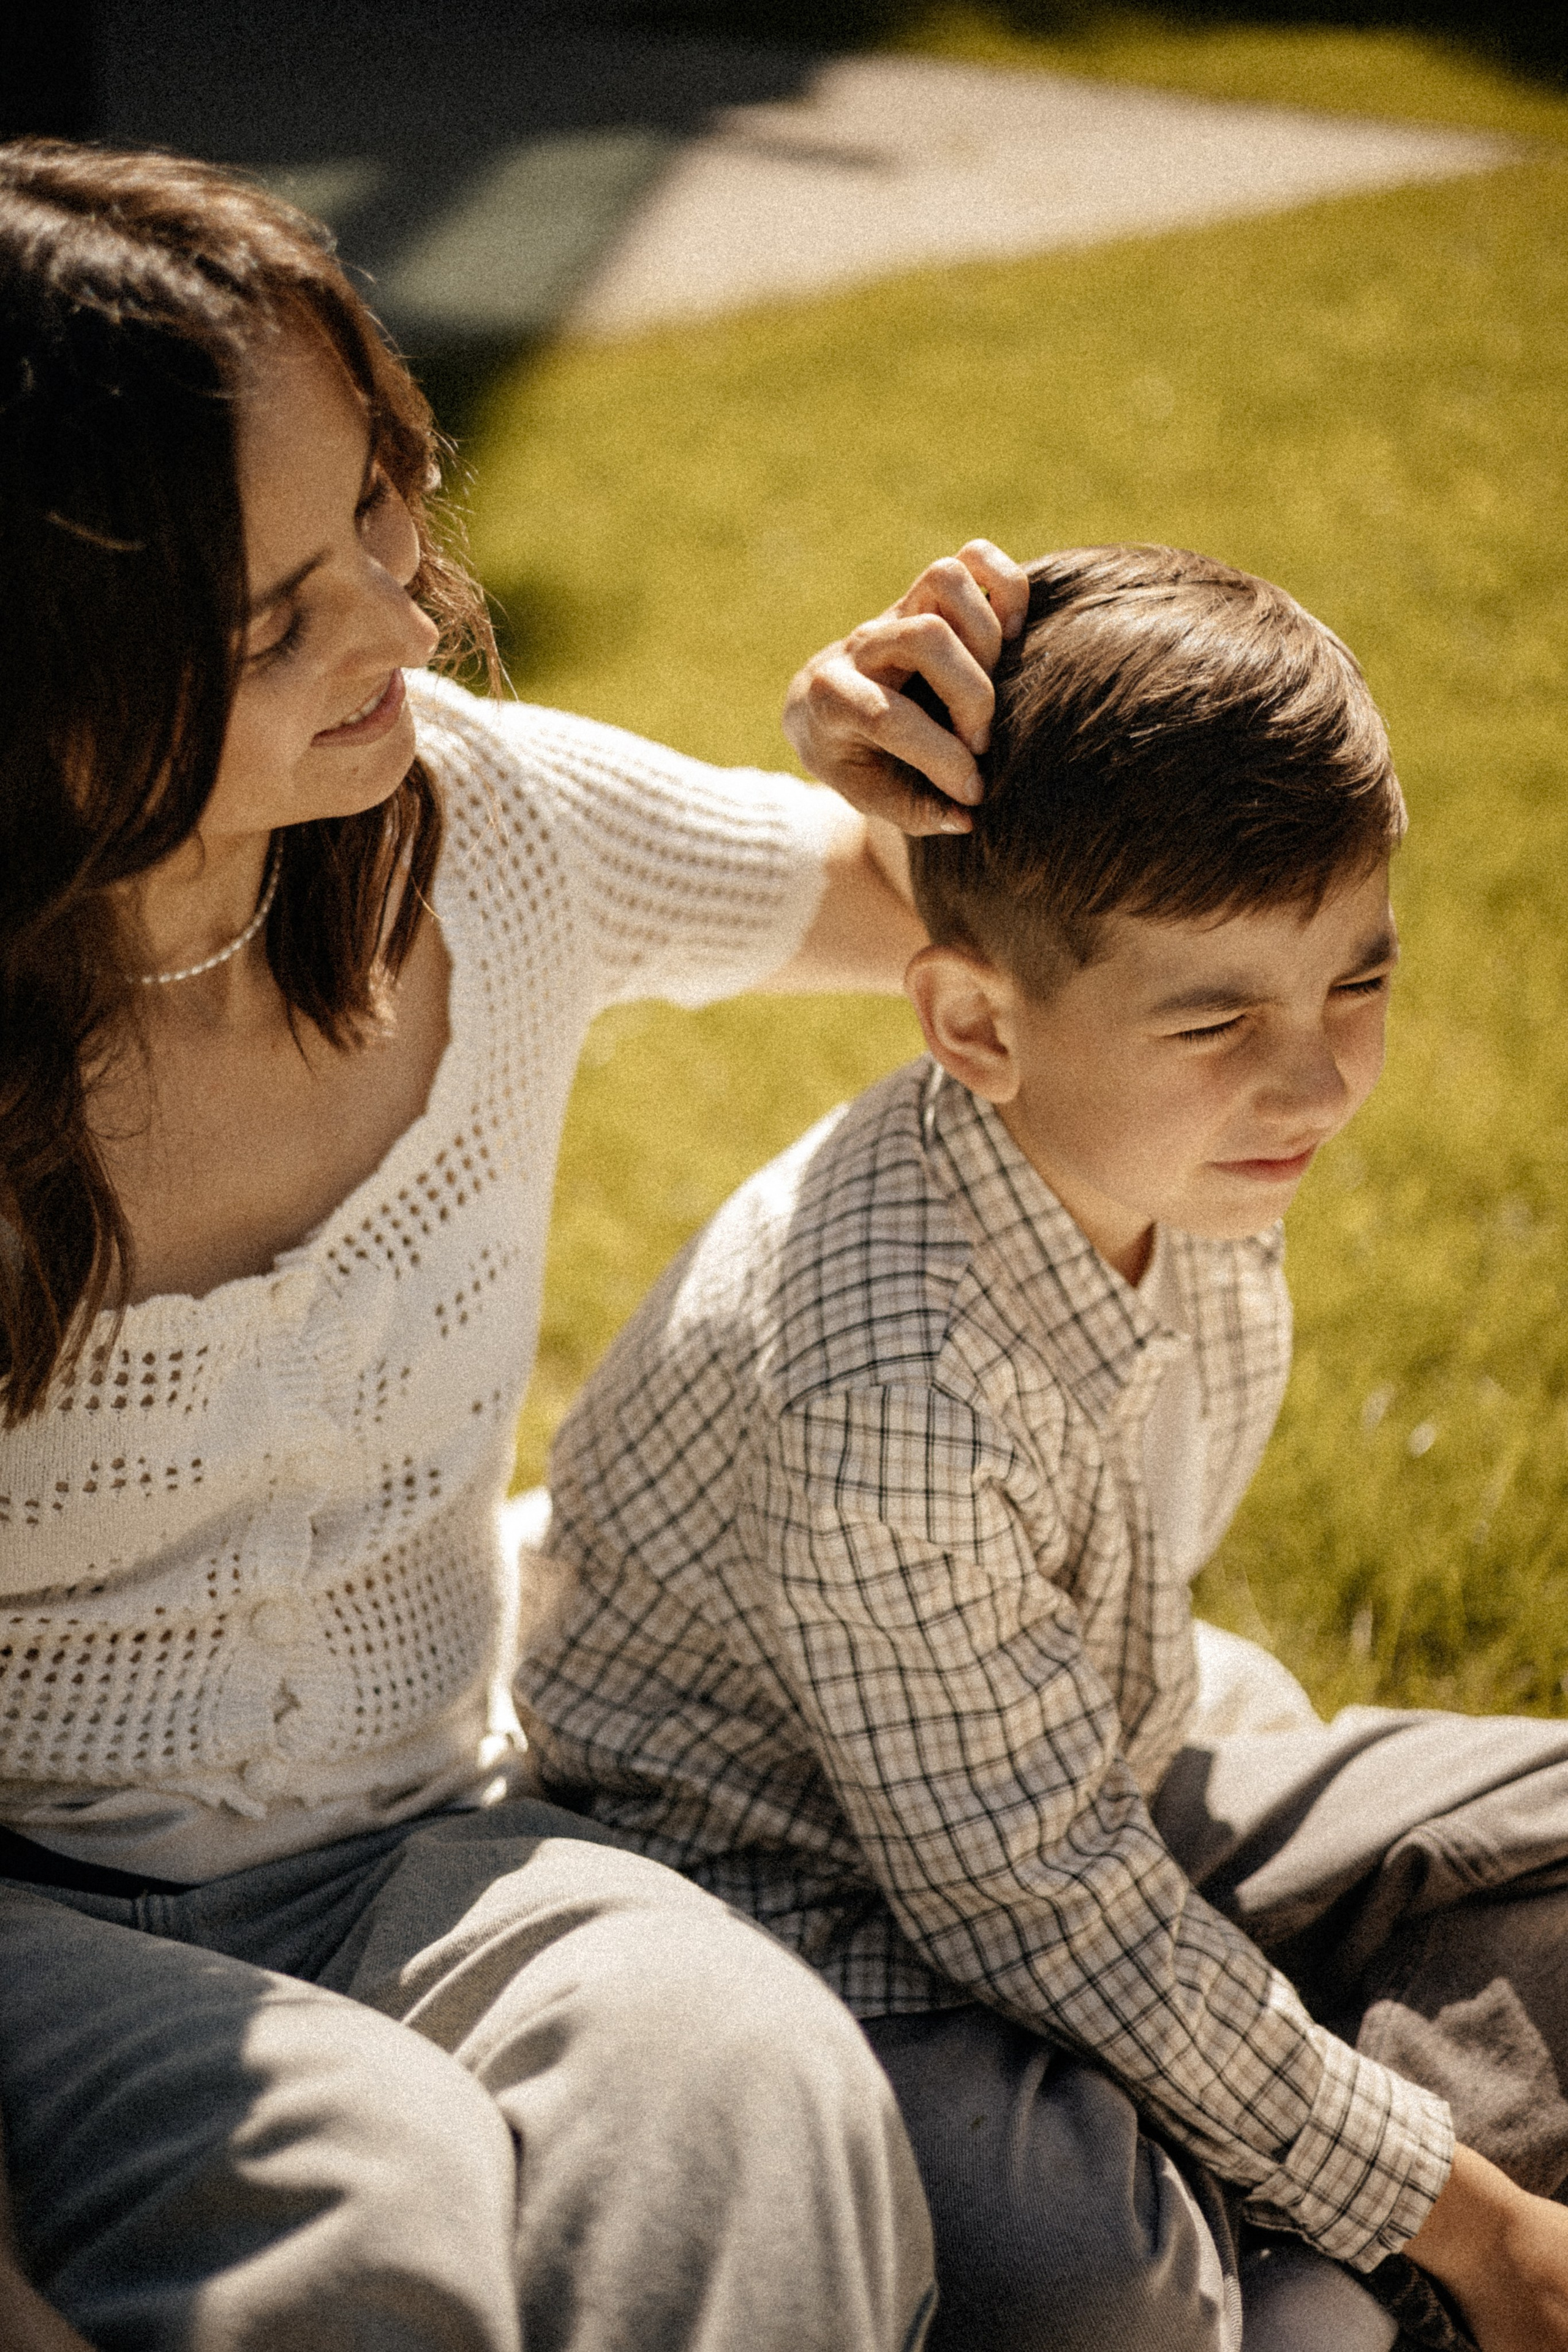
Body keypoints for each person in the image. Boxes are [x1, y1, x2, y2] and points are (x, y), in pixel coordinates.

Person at [0, 135, 1031, 2351]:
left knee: (758, 2092)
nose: (401, 616)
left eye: (376, 508)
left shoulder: (488, 827)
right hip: (22, 1924)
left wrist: (902, 748)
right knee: (362, 2204)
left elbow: (957, 911)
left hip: (422, 1834)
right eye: (276, 617)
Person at [521, 546, 1568, 2352]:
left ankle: (1340, 2214)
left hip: (1082, 1780)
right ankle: (1388, 2242)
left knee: (1544, 1818)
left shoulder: (1179, 1157)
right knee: (1100, 2281)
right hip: (801, 1900)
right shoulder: (889, 1382)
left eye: (1353, 986)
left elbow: (1078, 1828)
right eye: (1220, 1015)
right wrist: (1479, 2227)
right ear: (979, 1025)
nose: (1313, 1081)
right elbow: (1034, 1911)